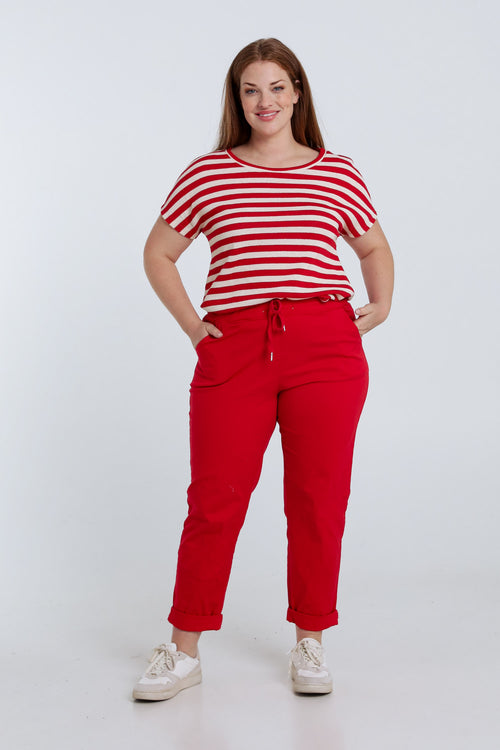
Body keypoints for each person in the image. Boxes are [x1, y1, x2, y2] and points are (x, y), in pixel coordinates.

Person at [132, 37, 394, 701]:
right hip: (237, 345)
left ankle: (311, 639)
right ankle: (183, 650)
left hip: (325, 345)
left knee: (317, 498)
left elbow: (372, 246)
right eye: (251, 89)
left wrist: (382, 302)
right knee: (214, 499)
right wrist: (196, 328)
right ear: (237, 99)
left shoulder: (337, 172)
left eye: (277, 87)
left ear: (297, 93)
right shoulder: (208, 173)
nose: (265, 101)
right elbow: (159, 253)